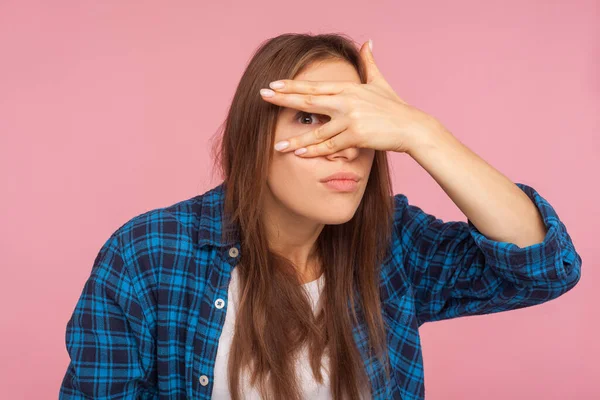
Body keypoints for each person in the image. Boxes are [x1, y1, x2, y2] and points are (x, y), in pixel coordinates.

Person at [59, 33, 582, 400]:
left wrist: (423, 133)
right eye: (310, 119)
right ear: (254, 136)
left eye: (359, 122)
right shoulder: (148, 255)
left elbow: (542, 267)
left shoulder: (393, 245)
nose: (344, 147)